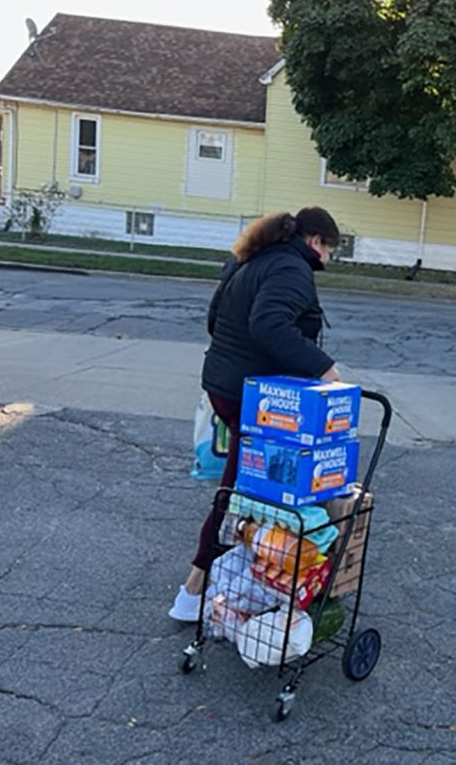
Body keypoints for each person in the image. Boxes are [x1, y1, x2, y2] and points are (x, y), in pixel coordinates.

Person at [168, 206, 342, 621]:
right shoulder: (292, 270)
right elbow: (269, 325)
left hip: (225, 383)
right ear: (316, 242)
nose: (330, 261)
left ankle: (249, 576)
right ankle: (193, 590)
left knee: (255, 483)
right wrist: (323, 367)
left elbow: (215, 321)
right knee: (240, 488)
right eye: (332, 251)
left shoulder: (252, 258)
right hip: (255, 396)